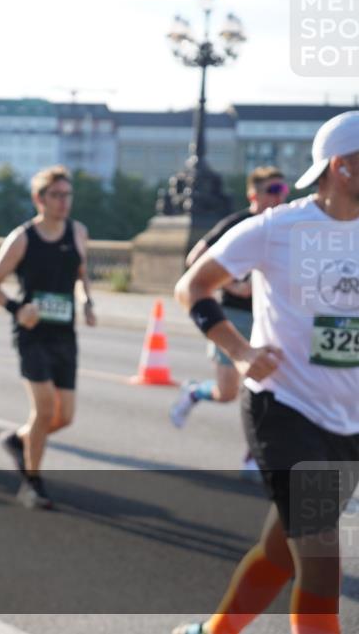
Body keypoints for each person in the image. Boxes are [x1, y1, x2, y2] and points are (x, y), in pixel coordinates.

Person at [171, 111, 359, 634]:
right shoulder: (278, 228)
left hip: (348, 422)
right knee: (321, 562)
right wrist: (239, 352)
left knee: (280, 550)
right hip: (284, 409)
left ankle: (213, 633)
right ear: (342, 167)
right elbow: (194, 287)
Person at [0, 165, 96, 509]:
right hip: (32, 334)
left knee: (65, 417)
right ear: (39, 199)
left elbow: (80, 272)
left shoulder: (78, 232)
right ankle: (31, 484)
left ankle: (19, 440)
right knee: (44, 410)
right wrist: (18, 309)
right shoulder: (23, 237)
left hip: (65, 334)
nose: (63, 202)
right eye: (56, 195)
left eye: (67, 195)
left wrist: (87, 301)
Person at [170, 167, 289, 433]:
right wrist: (234, 286)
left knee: (269, 390)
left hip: (270, 319)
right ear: (253, 194)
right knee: (227, 392)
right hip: (234, 316)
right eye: (273, 190)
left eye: (283, 190)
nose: (280, 197)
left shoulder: (284, 227)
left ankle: (253, 456)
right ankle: (194, 393)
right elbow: (194, 258)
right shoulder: (239, 224)